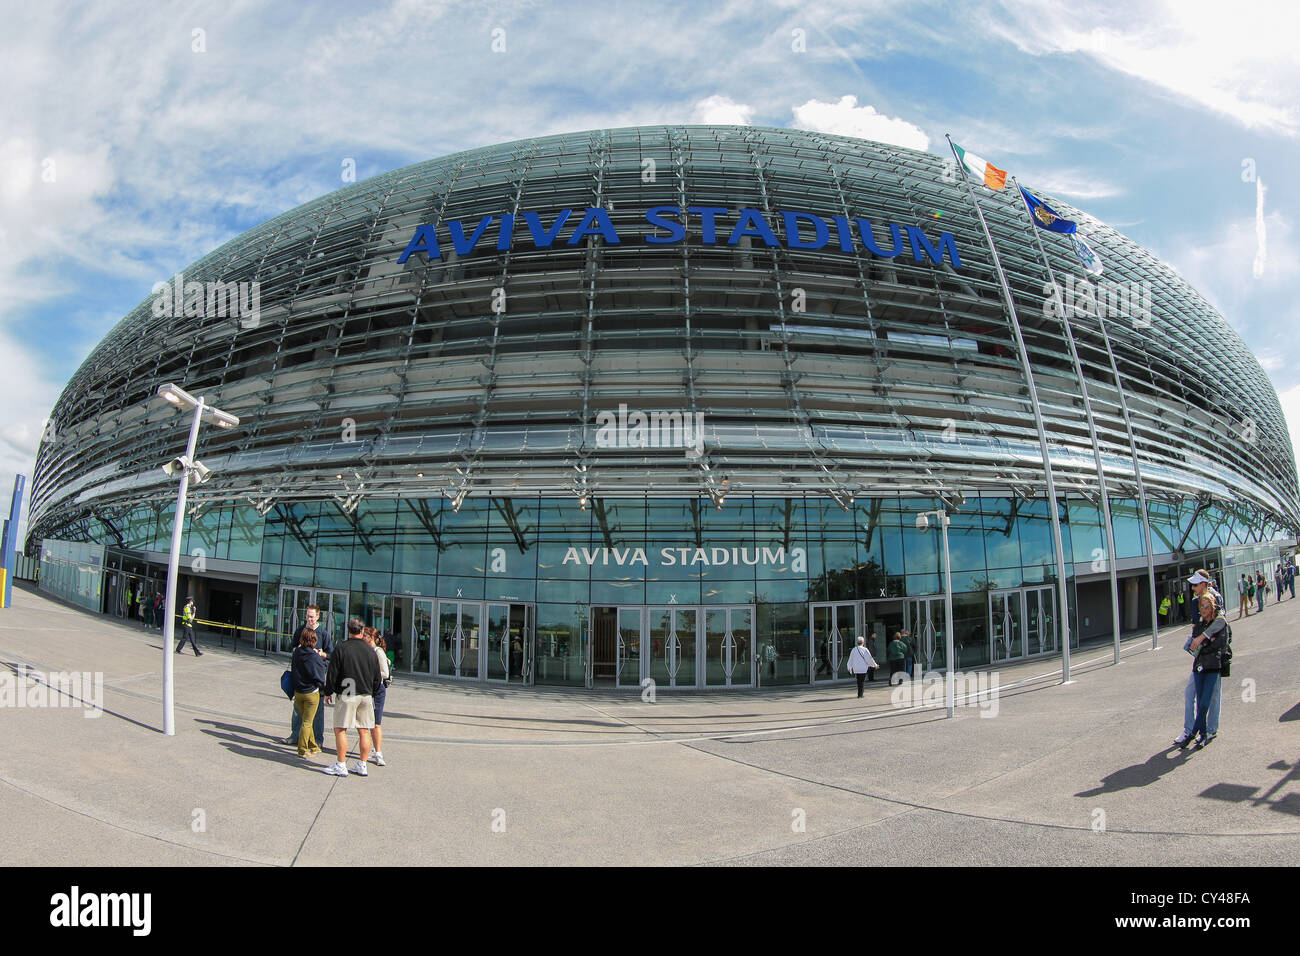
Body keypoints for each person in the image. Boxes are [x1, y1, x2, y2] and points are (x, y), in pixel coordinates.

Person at [322, 617, 381, 777]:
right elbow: (377, 677)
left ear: (349, 630)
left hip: (347, 692)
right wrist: (373, 692)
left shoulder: (341, 648)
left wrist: (328, 691)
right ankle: (362, 764)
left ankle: (341, 764)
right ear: (362, 631)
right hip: (366, 694)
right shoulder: (370, 651)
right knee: (364, 730)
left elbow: (332, 673)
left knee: (340, 729)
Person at [1179, 595, 1229, 749]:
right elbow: (1193, 646)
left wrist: (1202, 644)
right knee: (1200, 700)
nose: (1204, 609)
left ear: (1212, 605)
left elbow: (1220, 644)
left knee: (1206, 701)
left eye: (1206, 606)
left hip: (1213, 666)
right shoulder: (1198, 626)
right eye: (1201, 607)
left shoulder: (1219, 622)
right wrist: (1207, 641)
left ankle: (1194, 732)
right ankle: (1203, 733)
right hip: (1199, 666)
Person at [286, 605, 332, 746]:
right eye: (307, 616)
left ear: (318, 616)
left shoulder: (323, 633)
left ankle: (317, 740)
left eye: (312, 616)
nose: (309, 619)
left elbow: (330, 654)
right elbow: (293, 647)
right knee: (297, 708)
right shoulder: (300, 630)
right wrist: (298, 650)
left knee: (317, 710)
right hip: (300, 674)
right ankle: (295, 735)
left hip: (316, 675)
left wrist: (322, 654)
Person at [291, 628, 328, 757]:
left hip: (298, 692)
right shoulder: (314, 656)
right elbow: (320, 674)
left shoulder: (297, 653)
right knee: (307, 722)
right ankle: (302, 748)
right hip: (311, 693)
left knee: (307, 720)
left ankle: (313, 745)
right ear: (314, 640)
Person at [363, 627, 390, 765]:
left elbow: (385, 673)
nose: (363, 637)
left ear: (371, 638)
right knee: (365, 722)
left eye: (365, 635)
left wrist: (369, 674)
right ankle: (368, 749)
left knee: (376, 723)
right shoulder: (365, 650)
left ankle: (378, 752)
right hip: (366, 688)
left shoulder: (378, 652)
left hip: (377, 688)